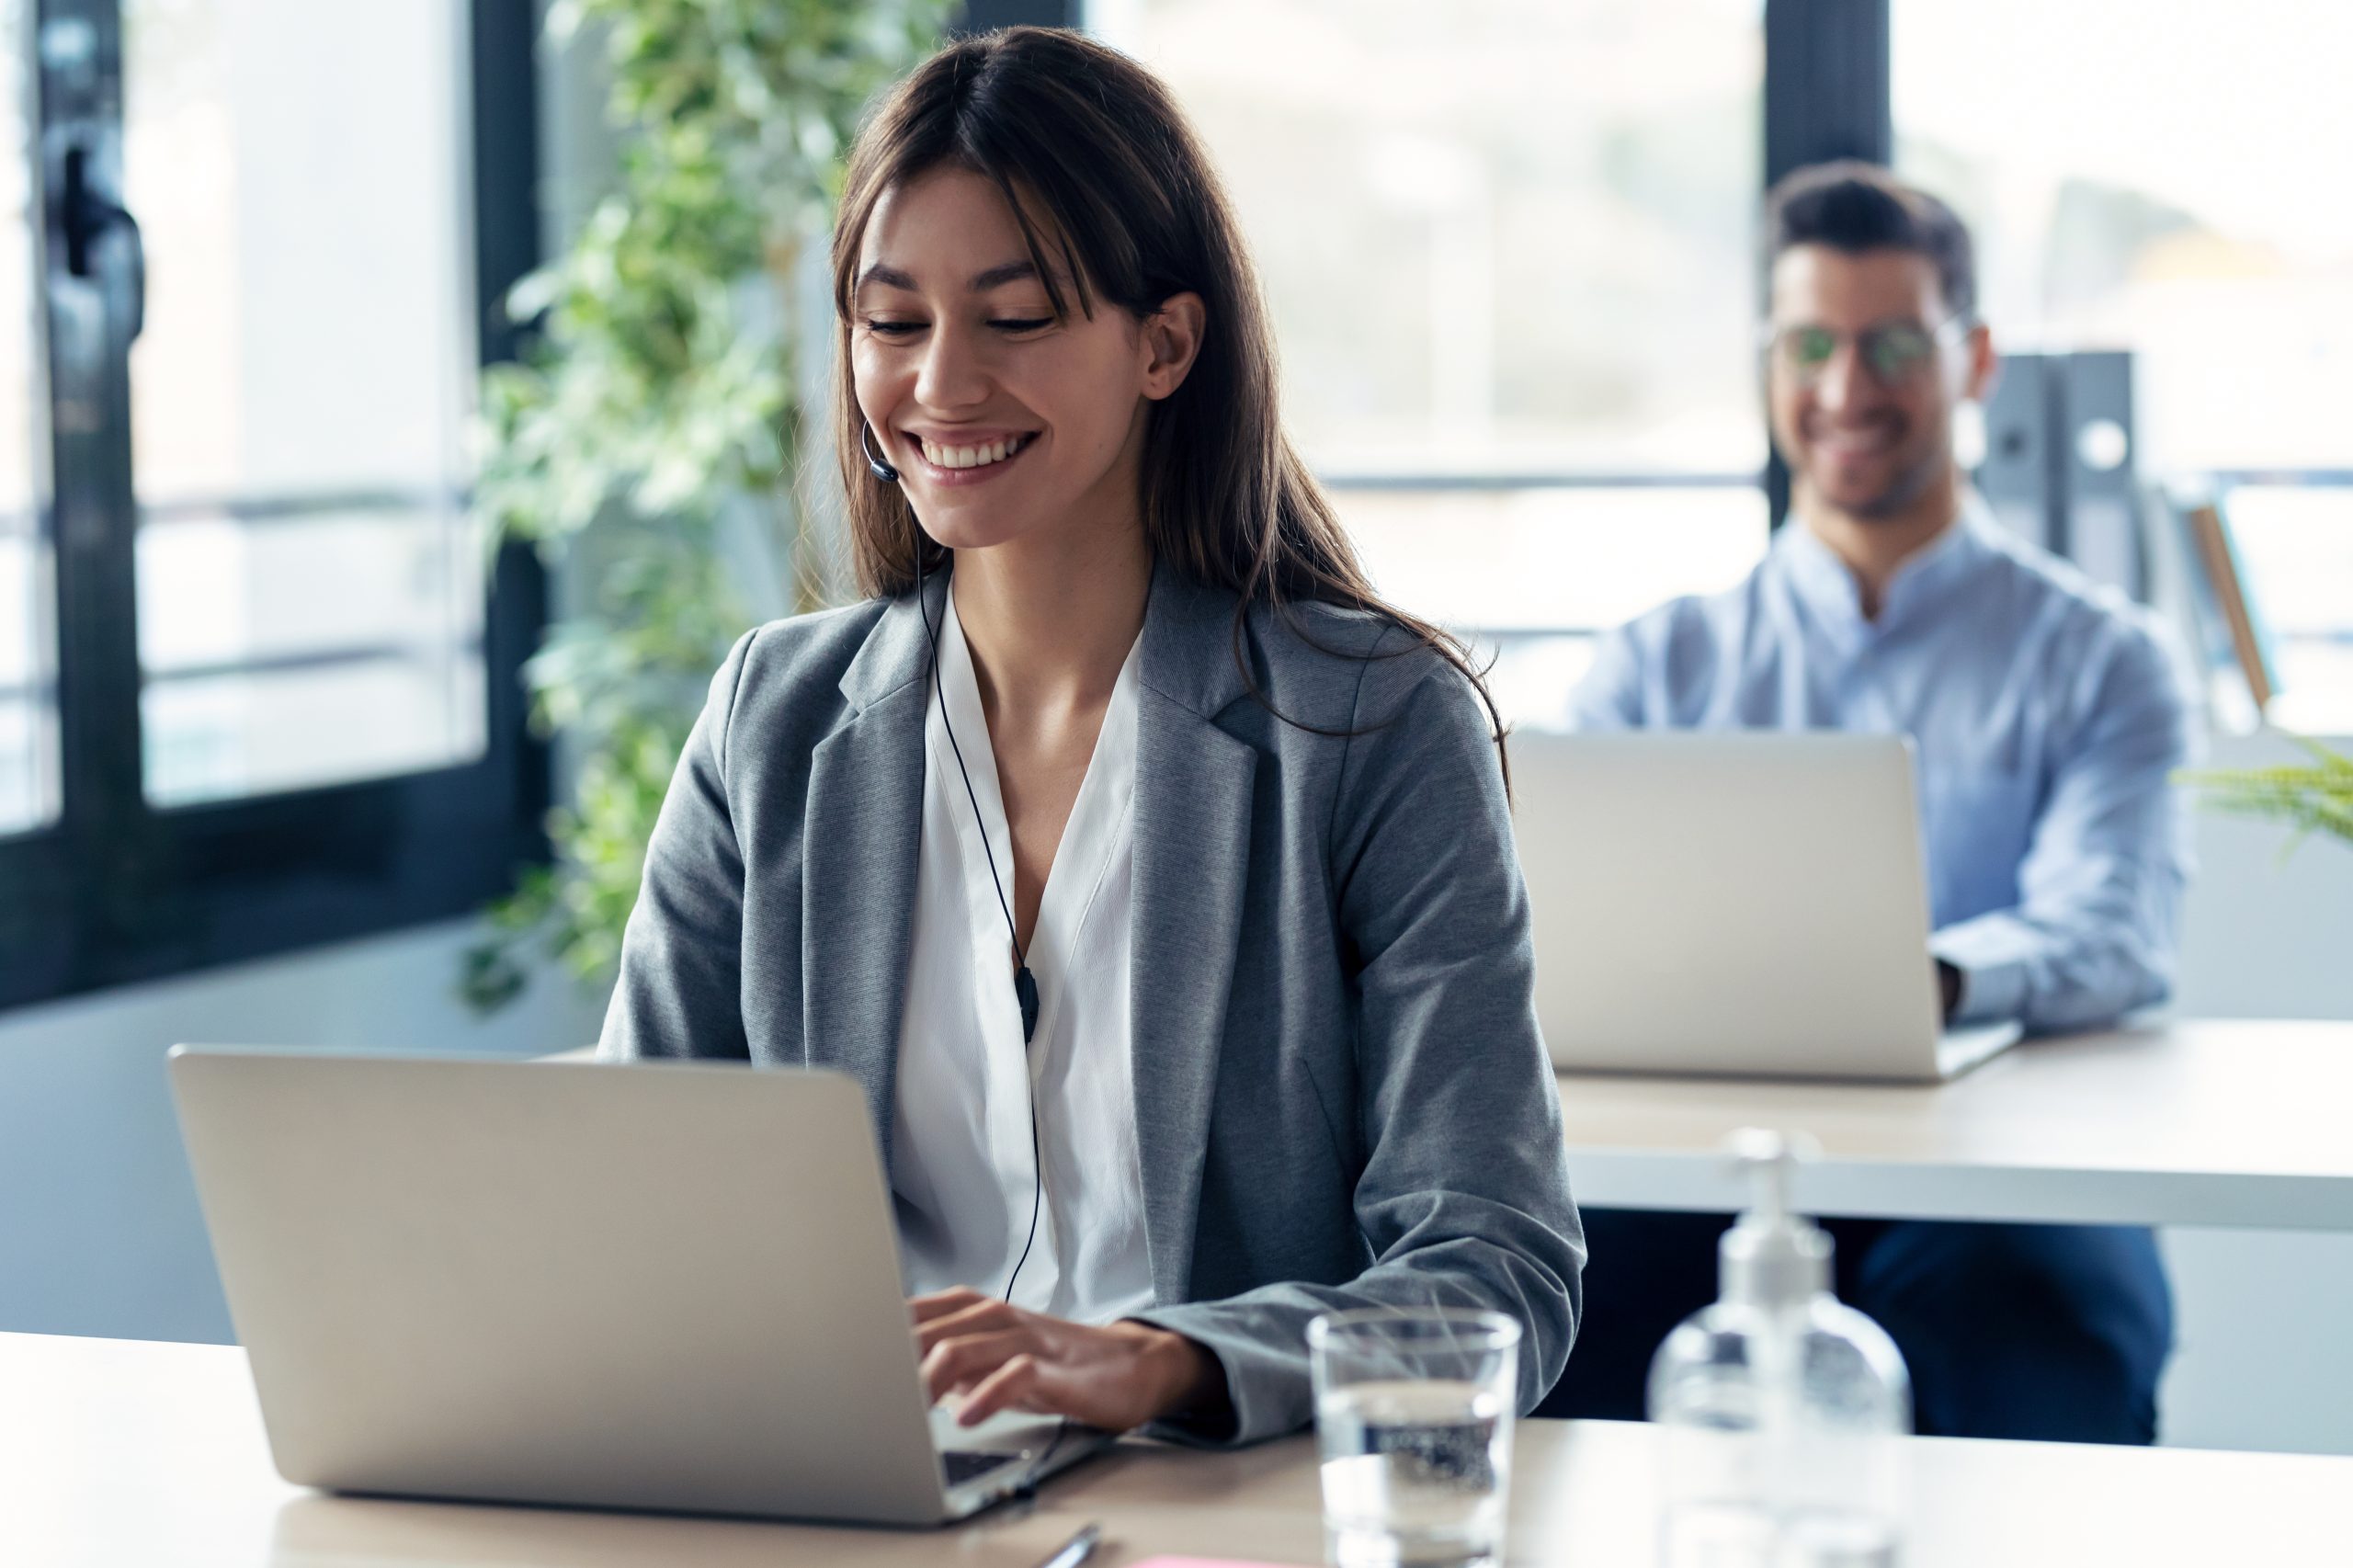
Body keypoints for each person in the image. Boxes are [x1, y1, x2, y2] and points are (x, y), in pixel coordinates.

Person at [597, 27, 1584, 1449]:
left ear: (1165, 344)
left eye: (1015, 317)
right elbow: (635, 1193)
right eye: (893, 320)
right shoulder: (775, 717)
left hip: (1210, 1500)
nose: (940, 384)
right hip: (867, 1490)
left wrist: (1160, 1361)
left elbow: (1493, 1270)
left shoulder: (1368, 727)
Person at [1551, 163, 2189, 1443]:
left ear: (1977, 360)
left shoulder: (2104, 657)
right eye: (1812, 345)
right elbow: (1550, 918)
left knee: (2048, 1336)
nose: (1848, 389)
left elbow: (2115, 926)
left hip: (2011, 1183)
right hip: (1699, 1170)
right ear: (1770, 362)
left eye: (1895, 344)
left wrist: (1925, 976)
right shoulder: (1655, 662)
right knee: (1545, 1315)